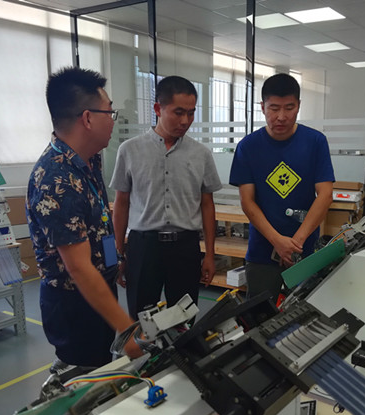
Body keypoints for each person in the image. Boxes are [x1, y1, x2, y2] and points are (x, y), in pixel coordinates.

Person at [26, 66, 141, 368]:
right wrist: (127, 330)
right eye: (109, 112)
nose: (113, 120)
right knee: (86, 376)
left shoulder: (88, 161)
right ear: (88, 118)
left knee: (103, 365)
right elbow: (77, 267)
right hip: (75, 303)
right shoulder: (56, 178)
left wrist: (116, 257)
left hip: (99, 289)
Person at [110, 75, 222, 320]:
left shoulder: (201, 154)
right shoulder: (130, 150)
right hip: (143, 247)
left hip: (185, 247)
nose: (185, 121)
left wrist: (210, 255)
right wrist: (118, 253)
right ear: (158, 109)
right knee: (142, 320)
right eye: (178, 112)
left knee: (183, 319)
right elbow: (121, 203)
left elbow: (207, 205)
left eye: (191, 113)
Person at [229, 73, 335, 301]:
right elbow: (247, 201)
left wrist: (296, 243)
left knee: (304, 315)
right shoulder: (248, 147)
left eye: (289, 108)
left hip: (305, 252)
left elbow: (325, 195)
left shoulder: (315, 142)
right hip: (262, 253)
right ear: (262, 107)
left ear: (298, 106)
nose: (281, 117)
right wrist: (277, 241)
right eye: (274, 108)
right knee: (260, 315)